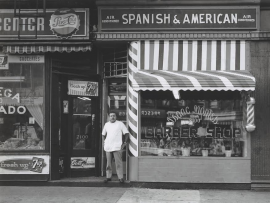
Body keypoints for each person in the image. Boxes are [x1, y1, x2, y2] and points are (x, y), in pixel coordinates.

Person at [102, 112, 129, 183]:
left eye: (114, 116)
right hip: (108, 146)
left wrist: (125, 143)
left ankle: (120, 178)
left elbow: (126, 133)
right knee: (108, 163)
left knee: (118, 163)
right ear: (109, 117)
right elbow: (103, 134)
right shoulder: (106, 124)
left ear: (116, 116)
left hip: (117, 146)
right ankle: (108, 177)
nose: (112, 117)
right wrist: (104, 142)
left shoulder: (120, 124)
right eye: (111, 116)